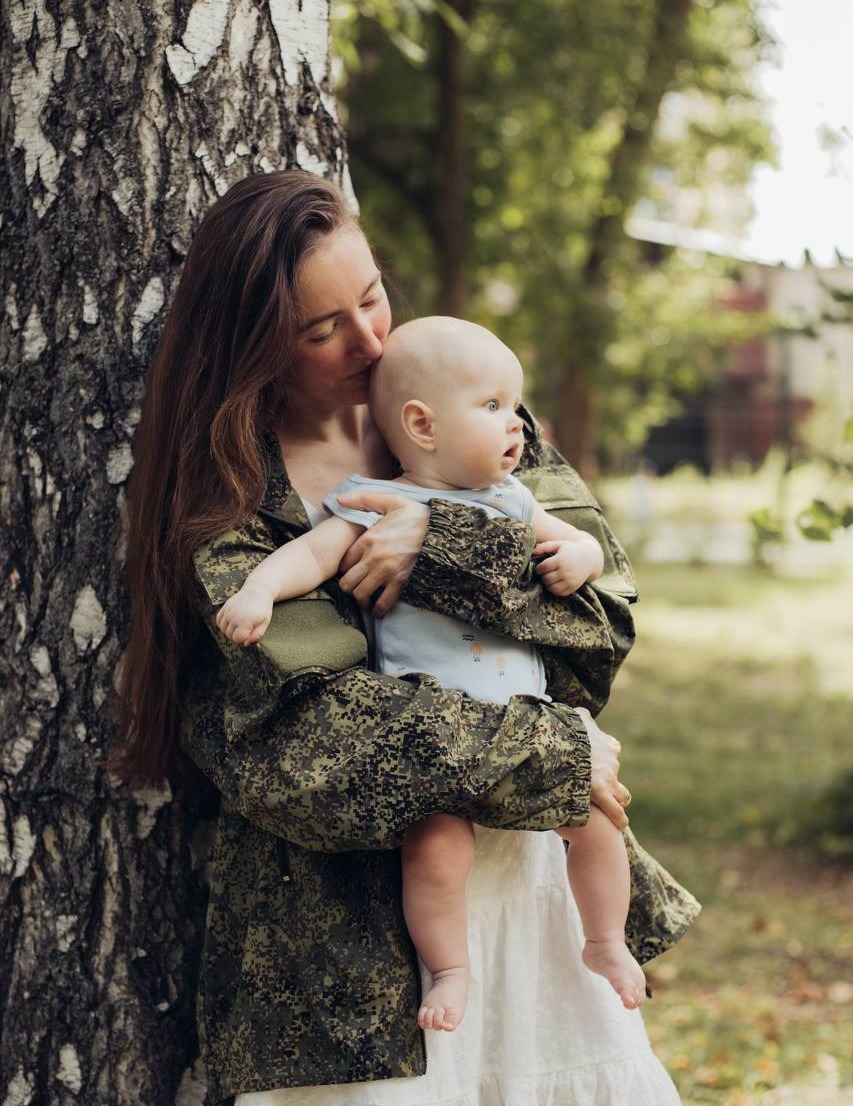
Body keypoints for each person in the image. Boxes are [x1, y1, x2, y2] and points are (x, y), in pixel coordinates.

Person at [110, 170, 698, 1106]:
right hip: (353, 965)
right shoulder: (232, 500)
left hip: (534, 902)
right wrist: (556, 749)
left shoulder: (464, 406)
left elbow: (599, 623)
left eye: (373, 294)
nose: (371, 339)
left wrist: (440, 541)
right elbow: (308, 747)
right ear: (252, 341)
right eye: (321, 329)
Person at [215, 316, 651, 1031]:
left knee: (599, 826)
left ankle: (604, 941)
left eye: (514, 405)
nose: (515, 423)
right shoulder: (374, 501)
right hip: (439, 744)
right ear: (421, 424)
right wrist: (260, 591)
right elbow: (315, 556)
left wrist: (579, 558)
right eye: (492, 408)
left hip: (532, 727)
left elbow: (583, 552)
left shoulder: (514, 498)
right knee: (435, 850)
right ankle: (449, 969)